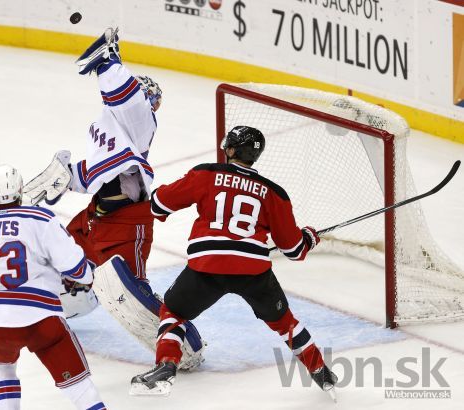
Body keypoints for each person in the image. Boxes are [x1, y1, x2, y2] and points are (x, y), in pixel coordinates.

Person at [130, 126, 338, 398]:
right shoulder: (274, 192)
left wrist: (160, 192)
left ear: (230, 150)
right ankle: (321, 372)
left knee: (173, 312)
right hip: (253, 271)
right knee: (285, 322)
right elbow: (294, 250)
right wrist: (309, 238)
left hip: (207, 265)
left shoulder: (206, 174)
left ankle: (166, 367)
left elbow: (158, 205)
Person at [0, 164, 107, 410]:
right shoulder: (39, 218)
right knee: (78, 385)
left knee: (1, 368)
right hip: (42, 320)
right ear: (21, 188)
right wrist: (85, 276)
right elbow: (76, 267)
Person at [26, 27, 162, 280]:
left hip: (106, 203)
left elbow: (102, 164)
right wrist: (110, 62)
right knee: (129, 267)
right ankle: (132, 283)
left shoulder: (111, 124)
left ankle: (67, 275)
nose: (155, 106)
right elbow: (130, 102)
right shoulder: (140, 118)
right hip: (125, 207)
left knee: (76, 244)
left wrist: (69, 177)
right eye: (154, 100)